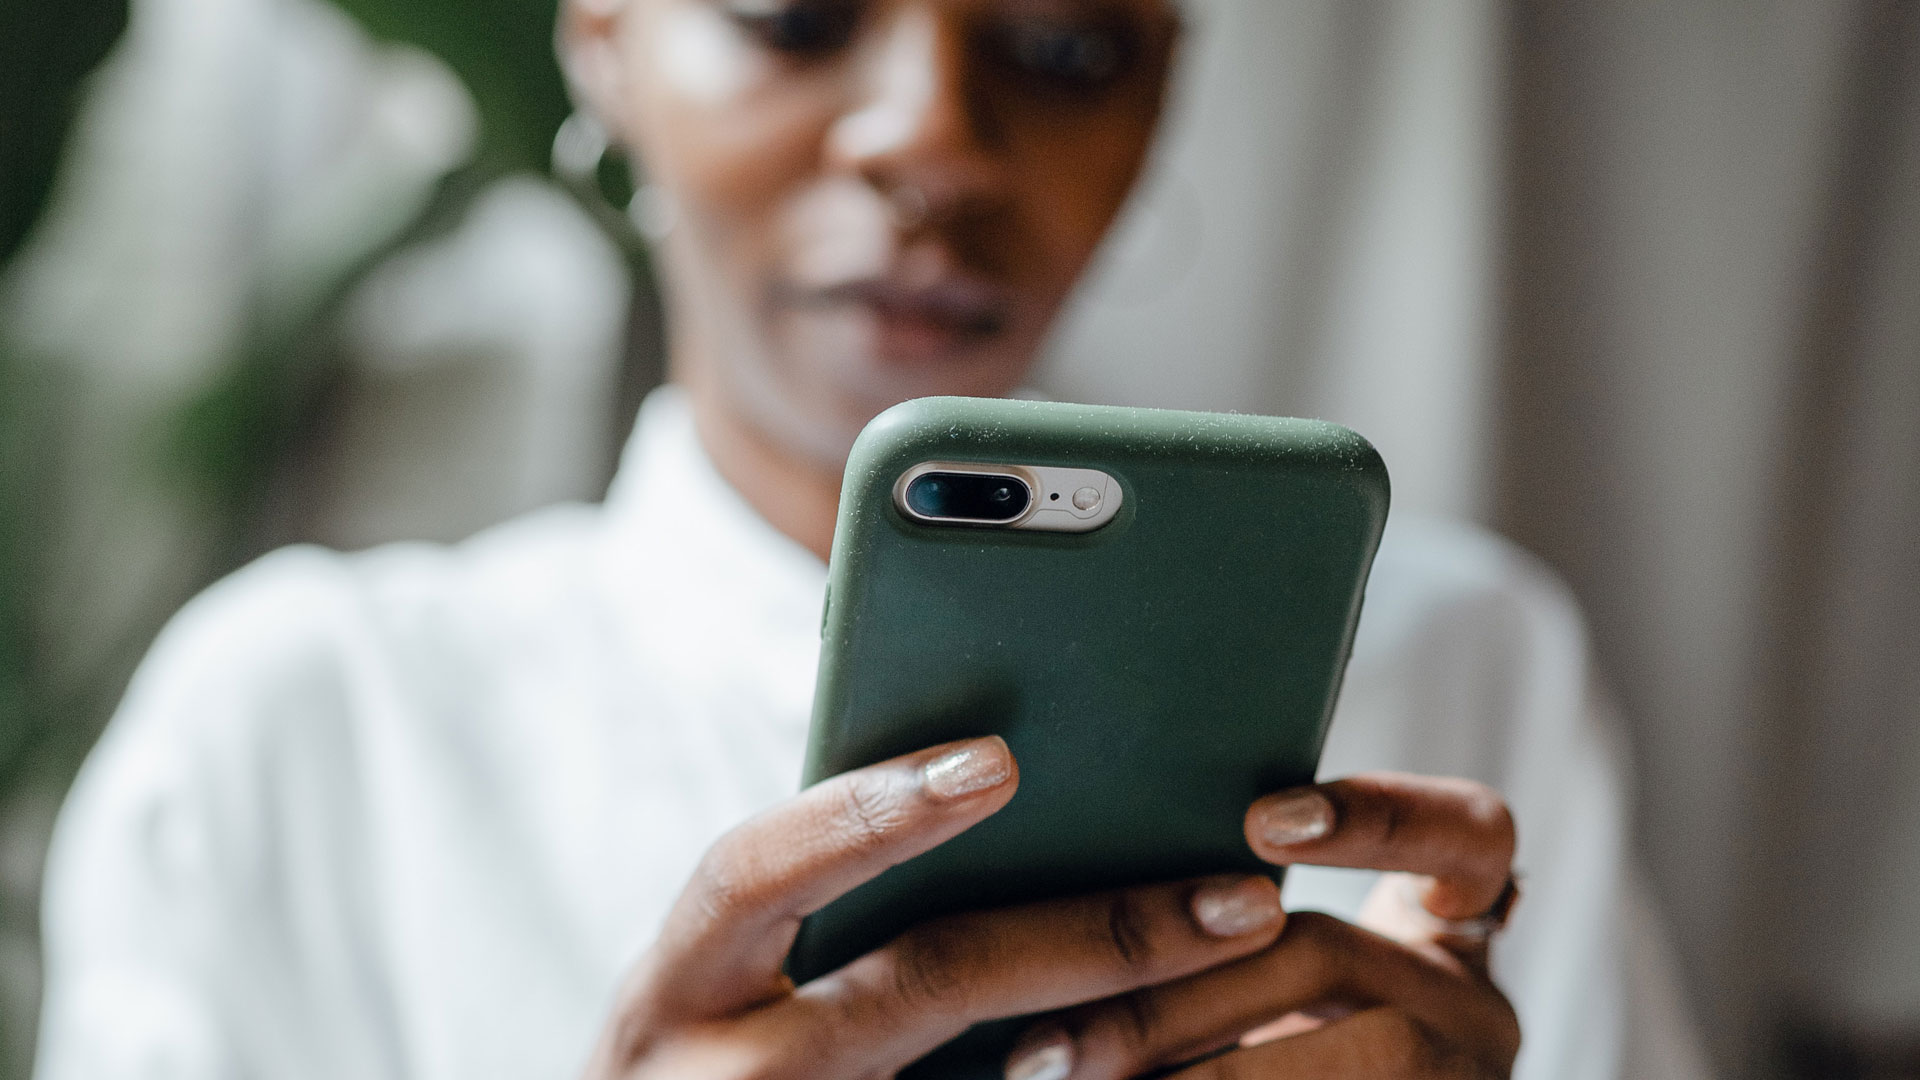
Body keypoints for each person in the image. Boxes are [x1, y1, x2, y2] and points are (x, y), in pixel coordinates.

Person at [34, 0, 1708, 1078]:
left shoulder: (1464, 670)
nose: (932, 136)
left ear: (1167, 86)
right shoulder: (305, 719)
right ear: (602, 34)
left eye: (1065, 48)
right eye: (795, 13)